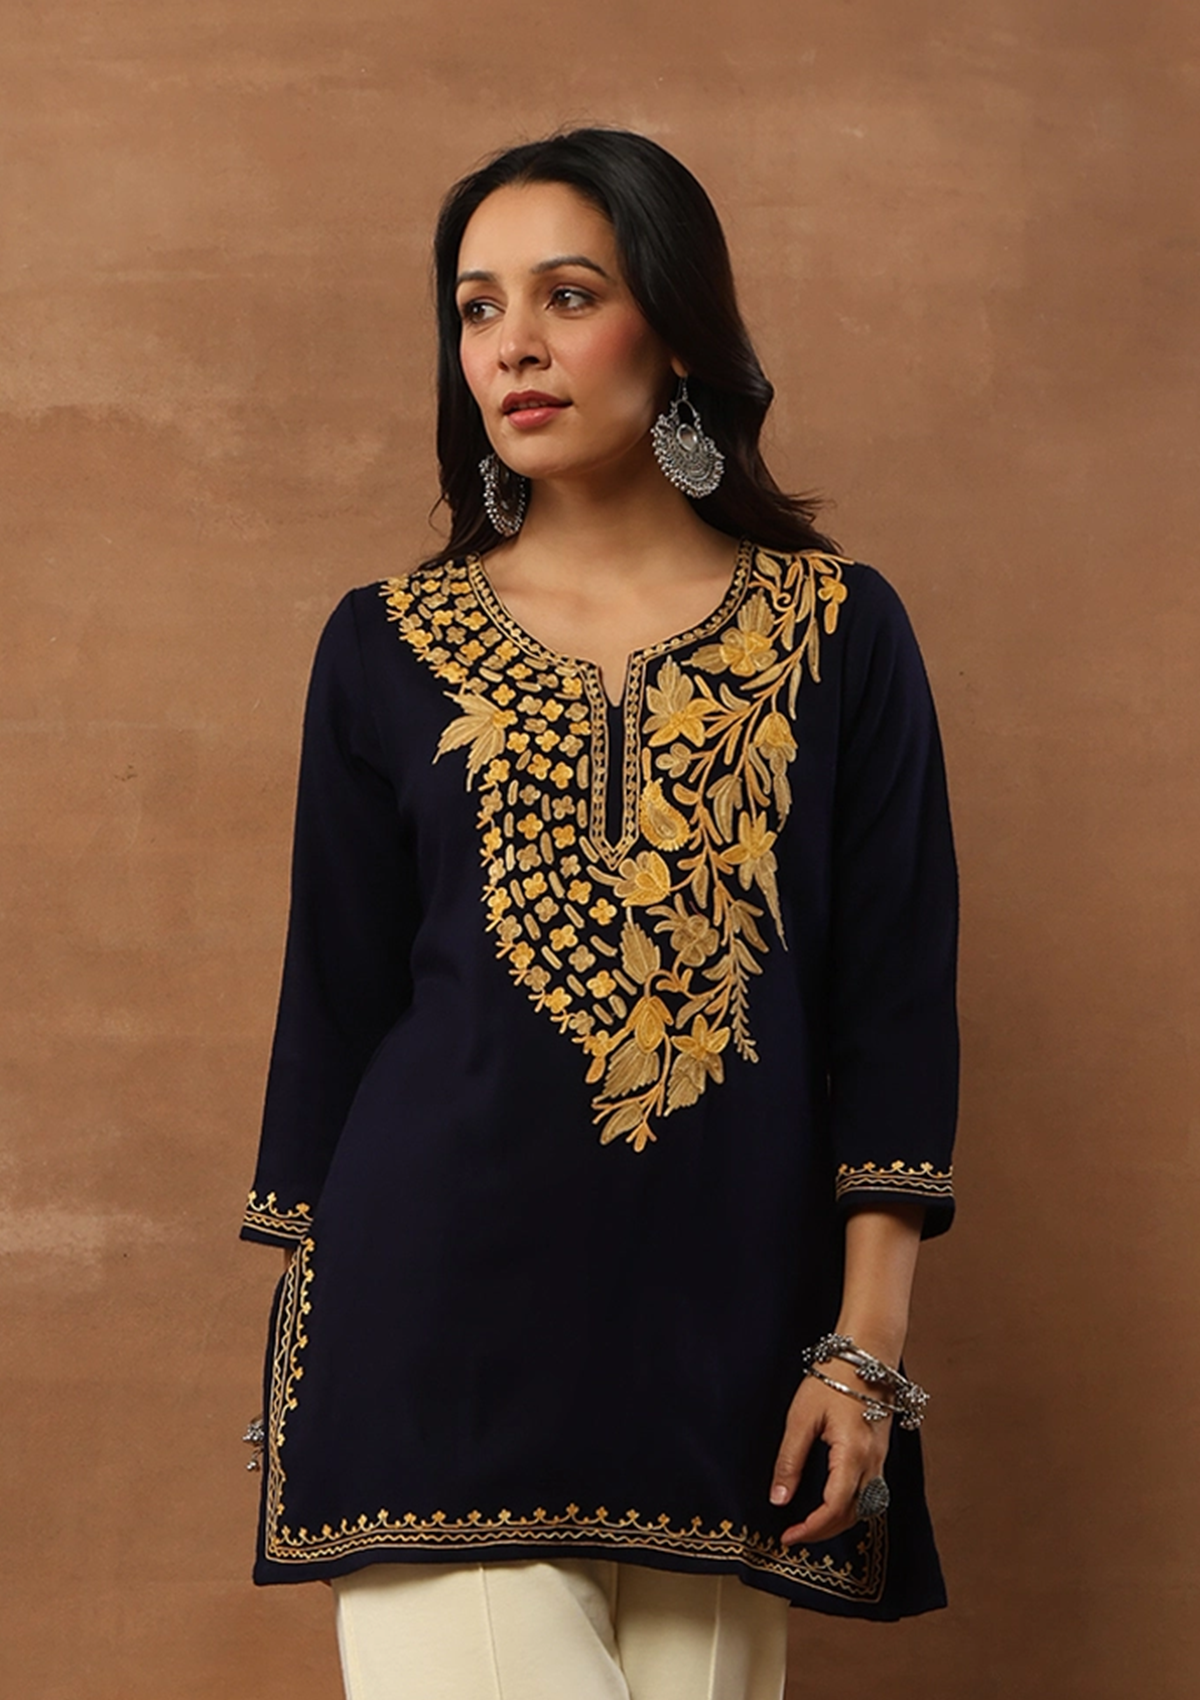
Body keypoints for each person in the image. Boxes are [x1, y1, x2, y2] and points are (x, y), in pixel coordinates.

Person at [239, 127, 959, 1700]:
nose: (513, 344)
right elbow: (339, 1004)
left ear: (677, 329)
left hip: (736, 1358)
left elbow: (893, 1005)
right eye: (477, 307)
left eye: (567, 295)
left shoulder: (840, 632)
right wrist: (311, 1338)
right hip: (437, 1335)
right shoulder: (385, 643)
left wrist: (863, 1354)